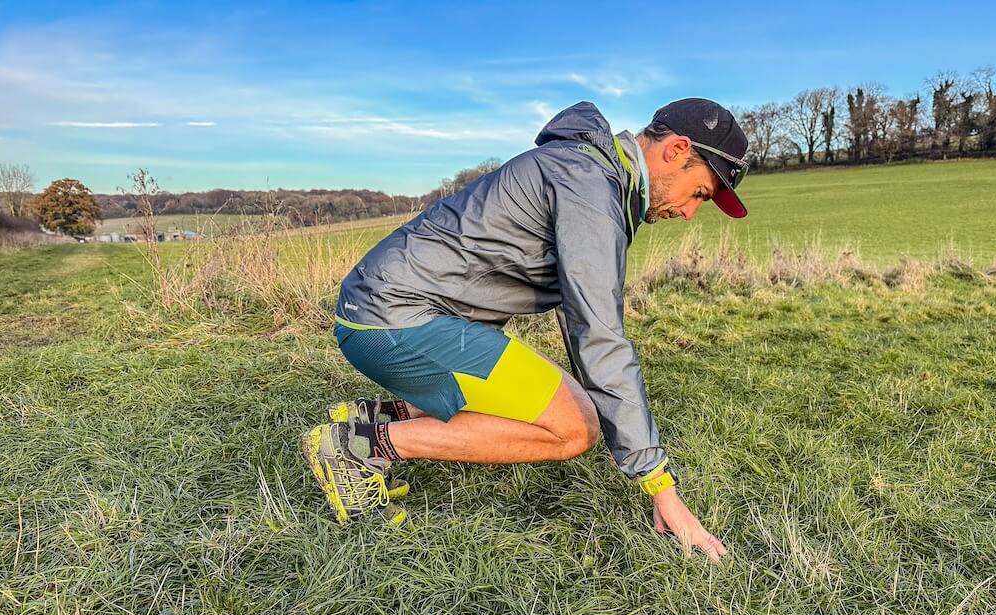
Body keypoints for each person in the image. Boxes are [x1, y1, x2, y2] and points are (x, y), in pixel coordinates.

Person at [301, 98, 749, 561]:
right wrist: (661, 487)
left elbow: (581, 325)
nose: (691, 212)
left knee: (571, 400)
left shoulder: (588, 173)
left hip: (385, 313)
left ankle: (383, 416)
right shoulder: (590, 190)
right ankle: (359, 447)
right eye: (700, 194)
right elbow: (600, 337)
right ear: (676, 150)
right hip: (392, 320)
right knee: (576, 427)